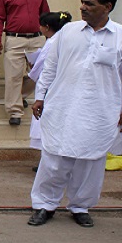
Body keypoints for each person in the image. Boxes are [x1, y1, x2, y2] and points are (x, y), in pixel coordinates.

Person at [28, 0, 122, 228]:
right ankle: (44, 205)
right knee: (54, 159)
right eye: (82, 2)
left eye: (90, 4)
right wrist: (40, 97)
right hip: (63, 106)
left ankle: (80, 206)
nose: (82, 7)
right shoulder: (68, 31)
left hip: (101, 110)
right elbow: (49, 67)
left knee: (90, 162)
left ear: (107, 7)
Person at [0, 0, 50, 125]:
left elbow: (46, 17)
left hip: (37, 39)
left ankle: (21, 96)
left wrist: (51, 38)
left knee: (39, 73)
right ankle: (15, 111)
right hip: (15, 39)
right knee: (13, 76)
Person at [22, 11, 72, 171]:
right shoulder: (65, 40)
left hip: (51, 88)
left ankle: (48, 163)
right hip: (61, 87)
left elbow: (43, 65)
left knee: (47, 124)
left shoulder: (52, 43)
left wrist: (32, 69)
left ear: (47, 27)